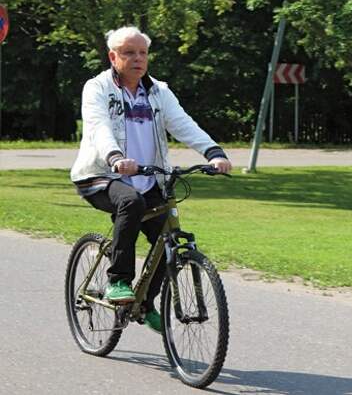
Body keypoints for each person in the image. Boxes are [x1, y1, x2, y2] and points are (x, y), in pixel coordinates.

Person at [70, 26, 232, 333]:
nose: (137, 58)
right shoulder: (98, 88)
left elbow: (183, 123)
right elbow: (98, 126)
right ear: (113, 56)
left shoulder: (158, 91)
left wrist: (213, 152)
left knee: (168, 237)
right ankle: (117, 280)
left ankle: (144, 305)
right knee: (130, 203)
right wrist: (115, 158)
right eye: (129, 52)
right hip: (101, 174)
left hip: (148, 178)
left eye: (142, 52)